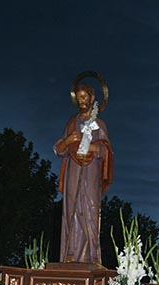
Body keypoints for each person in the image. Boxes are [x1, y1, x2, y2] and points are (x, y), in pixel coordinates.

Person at [54, 82, 114, 264]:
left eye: (84, 97)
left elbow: (107, 151)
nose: (81, 101)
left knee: (90, 209)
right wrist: (69, 140)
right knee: (72, 208)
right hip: (74, 170)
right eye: (79, 98)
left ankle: (91, 257)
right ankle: (70, 255)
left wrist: (90, 147)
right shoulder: (72, 123)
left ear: (92, 97)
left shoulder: (99, 124)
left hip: (90, 173)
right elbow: (59, 149)